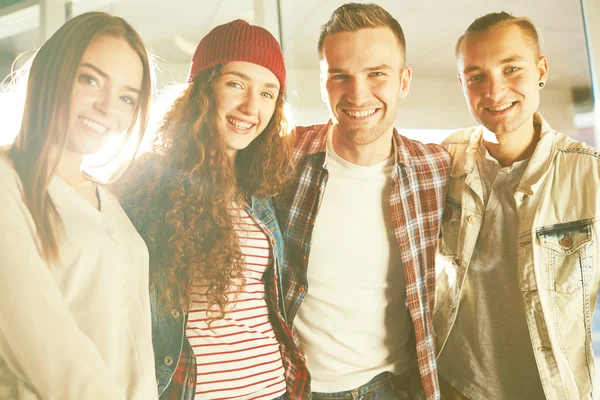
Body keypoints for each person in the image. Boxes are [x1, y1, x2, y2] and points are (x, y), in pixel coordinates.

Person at [116, 19, 308, 400]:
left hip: (275, 389)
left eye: (268, 93)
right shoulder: (147, 183)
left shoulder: (261, 192)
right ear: (205, 89)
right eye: (236, 83)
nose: (251, 107)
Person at [274, 3, 452, 399]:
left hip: (395, 386)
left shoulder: (435, 168)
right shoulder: (281, 159)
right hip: (295, 387)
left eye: (376, 74)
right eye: (340, 76)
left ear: (404, 81)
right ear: (323, 84)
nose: (358, 94)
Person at [435, 12, 600, 400]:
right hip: (457, 387)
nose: (494, 91)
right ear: (462, 84)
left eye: (511, 68)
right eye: (476, 76)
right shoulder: (445, 161)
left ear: (541, 69)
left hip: (552, 390)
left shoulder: (589, 176)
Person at [0, 11, 157, 400]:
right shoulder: (8, 181)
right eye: (90, 79)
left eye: (126, 97)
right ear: (53, 74)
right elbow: (45, 343)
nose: (108, 107)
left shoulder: (110, 202)